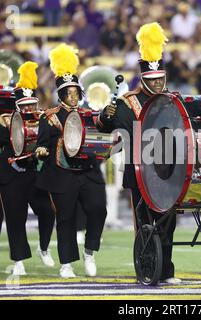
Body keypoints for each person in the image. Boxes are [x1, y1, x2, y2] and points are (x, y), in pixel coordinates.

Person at [96, 22, 180, 284]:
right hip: (141, 172)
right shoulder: (127, 103)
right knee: (144, 222)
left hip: (169, 172)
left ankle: (166, 271)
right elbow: (109, 127)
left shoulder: (172, 100)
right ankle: (146, 269)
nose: (157, 84)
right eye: (152, 80)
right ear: (143, 78)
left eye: (159, 79)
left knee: (169, 224)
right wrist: (104, 116)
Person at [35, 43, 107, 278]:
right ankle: (66, 263)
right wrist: (41, 150)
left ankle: (89, 252)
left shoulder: (89, 115)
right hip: (61, 172)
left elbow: (100, 135)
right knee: (65, 217)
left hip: (87, 171)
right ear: (62, 94)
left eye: (76, 93)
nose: (74, 97)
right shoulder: (50, 116)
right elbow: (42, 142)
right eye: (69, 93)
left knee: (98, 209)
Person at [0, 62, 55, 275]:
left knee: (47, 212)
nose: (29, 109)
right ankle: (19, 260)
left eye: (32, 105)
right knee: (15, 217)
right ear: (17, 107)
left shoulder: (43, 121)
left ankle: (43, 248)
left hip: (34, 173)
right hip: (11, 175)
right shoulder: (5, 123)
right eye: (24, 106)